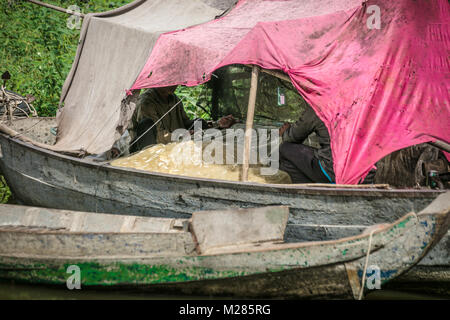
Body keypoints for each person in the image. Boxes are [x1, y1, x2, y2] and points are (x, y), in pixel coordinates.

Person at [278, 104, 335, 184]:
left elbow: (294, 136)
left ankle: (304, 189)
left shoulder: (321, 105)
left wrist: (285, 132)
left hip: (331, 170)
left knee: (284, 148)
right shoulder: (356, 101)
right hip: (355, 172)